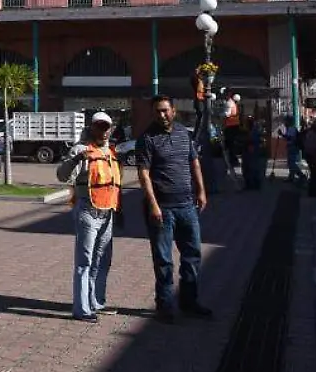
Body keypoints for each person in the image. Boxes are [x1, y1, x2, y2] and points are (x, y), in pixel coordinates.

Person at [134, 96, 211, 322]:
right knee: (164, 260)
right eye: (157, 111)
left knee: (193, 255)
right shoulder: (147, 138)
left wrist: (201, 191)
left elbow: (194, 163)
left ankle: (189, 301)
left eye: (165, 110)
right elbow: (144, 174)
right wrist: (153, 205)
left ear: (174, 111)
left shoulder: (183, 134)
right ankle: (165, 306)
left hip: (187, 205)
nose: (162, 115)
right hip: (163, 210)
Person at [56, 112, 121, 323]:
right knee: (84, 261)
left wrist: (120, 210)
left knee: (102, 260)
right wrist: (75, 160)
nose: (103, 131)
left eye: (106, 127)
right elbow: (62, 175)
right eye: (99, 127)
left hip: (107, 212)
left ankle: (96, 302)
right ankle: (81, 309)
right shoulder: (80, 149)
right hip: (87, 211)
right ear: (92, 128)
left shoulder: (110, 151)